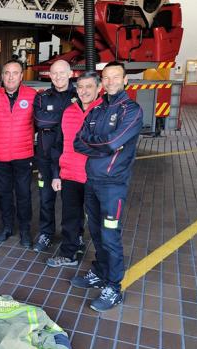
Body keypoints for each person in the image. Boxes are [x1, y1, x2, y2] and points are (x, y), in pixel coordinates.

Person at [71, 62, 143, 312]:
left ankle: (113, 287)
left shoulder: (131, 110)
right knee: (96, 232)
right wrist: (102, 144)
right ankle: (100, 273)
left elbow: (114, 142)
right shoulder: (97, 109)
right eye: (106, 77)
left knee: (111, 236)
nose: (111, 81)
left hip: (113, 186)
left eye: (116, 77)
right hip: (92, 182)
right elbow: (77, 142)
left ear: (125, 80)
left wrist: (101, 143)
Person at [46, 71, 103, 268]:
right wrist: (56, 174)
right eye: (80, 87)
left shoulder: (103, 111)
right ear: (75, 89)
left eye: (89, 87)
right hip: (70, 174)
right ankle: (70, 252)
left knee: (97, 222)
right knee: (70, 218)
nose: (84, 91)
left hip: (94, 176)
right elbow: (59, 144)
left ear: (99, 88)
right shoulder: (69, 111)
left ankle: (102, 263)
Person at [0, 60, 37, 248]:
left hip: (23, 155)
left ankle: (25, 231)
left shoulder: (32, 95)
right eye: (7, 73)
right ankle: (7, 227)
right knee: (4, 194)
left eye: (15, 73)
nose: (10, 77)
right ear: (1, 76)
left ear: (21, 76)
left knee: (24, 194)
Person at [32, 60, 78, 252]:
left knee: (73, 202)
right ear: (49, 76)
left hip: (72, 157)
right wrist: (67, 118)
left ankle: (74, 237)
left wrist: (54, 121)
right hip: (45, 158)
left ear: (70, 74)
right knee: (46, 198)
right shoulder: (42, 97)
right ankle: (46, 234)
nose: (58, 77)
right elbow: (40, 121)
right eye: (54, 73)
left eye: (62, 73)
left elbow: (84, 120)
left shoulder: (79, 95)